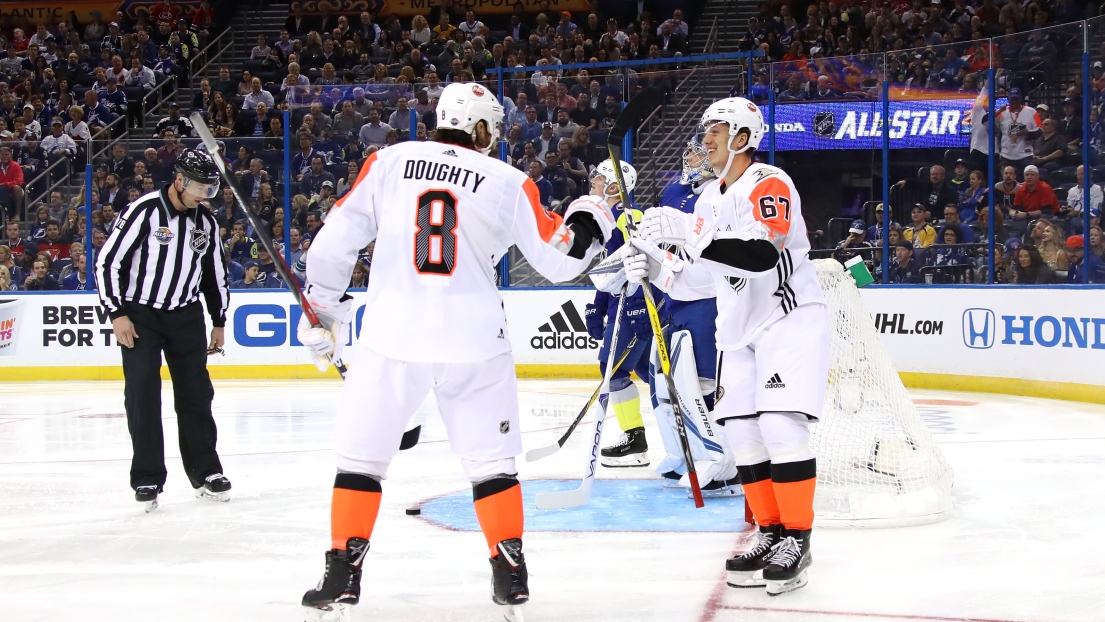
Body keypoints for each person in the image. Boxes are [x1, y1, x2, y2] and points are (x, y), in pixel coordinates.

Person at [295, 83, 613, 619]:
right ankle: (510, 573)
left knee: (361, 460)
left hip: (393, 332)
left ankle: (341, 575)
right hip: (474, 336)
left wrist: (323, 307)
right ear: (483, 129)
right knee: (492, 466)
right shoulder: (509, 182)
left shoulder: (389, 160)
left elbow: (334, 241)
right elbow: (562, 258)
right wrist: (594, 209)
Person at [624, 97, 827, 595]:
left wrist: (690, 239)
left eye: (715, 128)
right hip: (737, 331)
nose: (706, 138)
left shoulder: (769, 182)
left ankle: (798, 539)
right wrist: (655, 270)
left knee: (779, 425)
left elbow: (759, 256)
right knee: (741, 432)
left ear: (742, 138)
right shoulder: (710, 199)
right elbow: (700, 278)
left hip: (788, 319)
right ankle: (770, 529)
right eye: (705, 128)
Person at [93, 149, 232, 512]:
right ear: (181, 180)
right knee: (142, 394)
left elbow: (214, 275)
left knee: (196, 394)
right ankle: (147, 477)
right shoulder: (144, 211)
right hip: (140, 316)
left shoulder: (206, 223)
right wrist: (116, 312)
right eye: (202, 187)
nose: (206, 195)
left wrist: (219, 320)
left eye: (211, 189)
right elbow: (108, 262)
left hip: (186, 316)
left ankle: (206, 472)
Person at [646, 134, 737, 495]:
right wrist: (648, 264)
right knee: (670, 382)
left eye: (702, 148)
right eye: (692, 150)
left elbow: (714, 256)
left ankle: (727, 460)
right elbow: (664, 247)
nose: (694, 155)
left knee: (703, 383)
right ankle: (687, 453)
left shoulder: (723, 193)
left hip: (707, 299)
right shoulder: (673, 192)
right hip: (676, 296)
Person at [581, 159, 653, 468]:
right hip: (630, 307)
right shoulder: (606, 218)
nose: (592, 181)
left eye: (598, 178)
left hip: (637, 308)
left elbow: (635, 270)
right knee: (656, 374)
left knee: (614, 371)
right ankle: (687, 438)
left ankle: (635, 442)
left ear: (613, 186)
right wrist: (598, 306)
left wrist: (629, 307)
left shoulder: (629, 218)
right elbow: (610, 271)